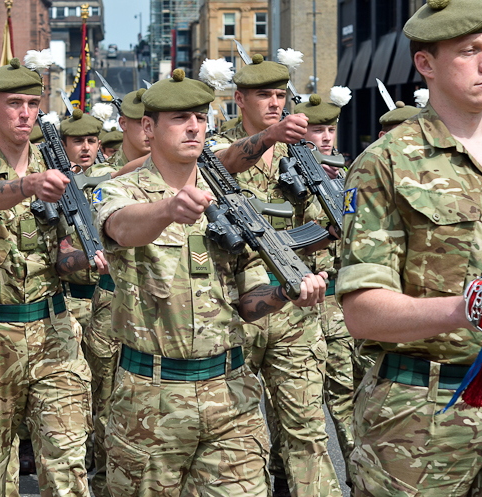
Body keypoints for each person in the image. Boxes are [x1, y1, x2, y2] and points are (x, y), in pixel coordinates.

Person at [337, 1, 482, 494]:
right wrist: (466, 309)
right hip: (419, 415)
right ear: (425, 64)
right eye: (469, 50)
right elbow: (362, 311)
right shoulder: (384, 163)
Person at [93, 68, 328, 496]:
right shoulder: (120, 190)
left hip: (231, 394)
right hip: (152, 398)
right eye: (181, 118)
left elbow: (246, 299)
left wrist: (286, 293)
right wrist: (169, 209)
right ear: (149, 127)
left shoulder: (232, 201)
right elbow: (122, 228)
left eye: (200, 117)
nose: (194, 127)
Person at [0, 56, 105, 497]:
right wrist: (29, 185)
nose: (24, 113)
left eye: (32, 103)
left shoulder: (59, 171)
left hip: (54, 330)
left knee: (68, 463)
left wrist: (91, 259)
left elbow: (63, 257)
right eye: (13, 103)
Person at [208, 54, 342, 497]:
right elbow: (219, 165)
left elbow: (324, 225)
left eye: (280, 95)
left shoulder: (300, 155)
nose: (274, 103)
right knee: (238, 442)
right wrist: (267, 138)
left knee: (306, 432)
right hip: (233, 311)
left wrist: (332, 229)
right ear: (239, 99)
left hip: (293, 307)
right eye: (264, 95)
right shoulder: (210, 146)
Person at [82, 87, 151, 497]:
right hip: (112, 304)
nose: (147, 131)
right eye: (140, 122)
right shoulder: (103, 180)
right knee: (107, 400)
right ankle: (107, 479)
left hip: (163, 307)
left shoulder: (180, 176)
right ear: (123, 124)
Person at [293, 90, 356, 474]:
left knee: (349, 398)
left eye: (330, 129)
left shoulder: (347, 177)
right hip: (300, 308)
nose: (327, 137)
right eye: (318, 130)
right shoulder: (289, 179)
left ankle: (358, 473)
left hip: (340, 308)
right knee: (302, 416)